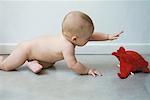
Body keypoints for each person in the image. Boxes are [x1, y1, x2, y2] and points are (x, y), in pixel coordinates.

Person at [0, 11, 122, 77]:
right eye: (88, 37)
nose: (90, 38)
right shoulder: (67, 46)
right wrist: (87, 70)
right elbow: (73, 65)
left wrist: (107, 36)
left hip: (40, 55)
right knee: (7, 67)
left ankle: (33, 62)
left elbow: (91, 36)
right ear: (75, 39)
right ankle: (3, 62)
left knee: (49, 63)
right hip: (25, 50)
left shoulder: (71, 37)